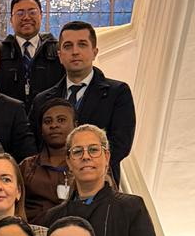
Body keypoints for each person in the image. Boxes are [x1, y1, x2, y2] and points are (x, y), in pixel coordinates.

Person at [30, 22, 136, 179]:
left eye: (82, 44)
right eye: (68, 46)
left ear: (94, 52)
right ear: (60, 55)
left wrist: (81, 167)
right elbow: (34, 144)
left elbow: (121, 144)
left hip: (98, 182)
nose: (75, 51)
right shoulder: (42, 100)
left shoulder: (117, 93)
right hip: (50, 183)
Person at [0, 0, 60, 104]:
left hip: (47, 112)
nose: (26, 17)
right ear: (11, 20)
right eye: (20, 13)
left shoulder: (56, 51)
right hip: (9, 113)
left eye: (32, 12)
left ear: (41, 16)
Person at [21, 97, 76, 224]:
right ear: (41, 129)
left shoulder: (88, 164)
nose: (54, 125)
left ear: (75, 125)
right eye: (47, 121)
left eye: (61, 120)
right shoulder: (26, 166)